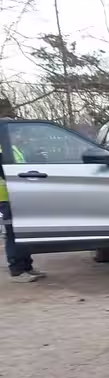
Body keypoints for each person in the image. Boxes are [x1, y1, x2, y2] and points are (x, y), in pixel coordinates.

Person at [0, 117, 43, 283]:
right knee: (12, 234)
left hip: (18, 195)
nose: (18, 134)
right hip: (5, 197)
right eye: (15, 131)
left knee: (23, 232)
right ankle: (17, 270)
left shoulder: (12, 149)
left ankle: (27, 267)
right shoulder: (2, 149)